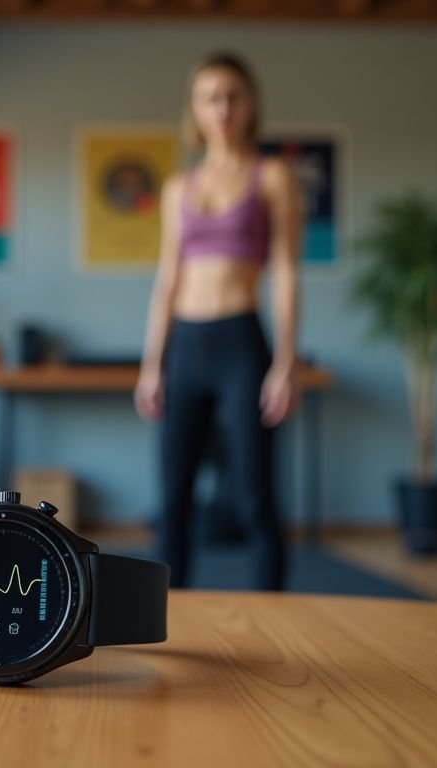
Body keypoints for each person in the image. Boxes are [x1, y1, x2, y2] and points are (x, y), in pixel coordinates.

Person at [134, 51, 302, 590]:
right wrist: (151, 365)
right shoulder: (178, 188)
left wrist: (286, 363)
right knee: (175, 497)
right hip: (186, 345)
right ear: (196, 109)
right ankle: (170, 621)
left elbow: (286, 273)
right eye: (211, 97)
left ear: (250, 105)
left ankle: (275, 621)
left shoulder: (271, 177)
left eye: (232, 95)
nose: (222, 107)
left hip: (241, 344)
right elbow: (166, 280)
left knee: (255, 494)